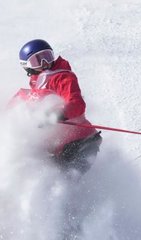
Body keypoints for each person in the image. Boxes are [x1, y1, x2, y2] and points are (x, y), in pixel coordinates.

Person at [13, 39, 102, 175]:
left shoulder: (62, 77)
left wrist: (57, 115)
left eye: (47, 57)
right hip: (60, 149)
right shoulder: (33, 90)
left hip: (81, 143)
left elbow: (77, 104)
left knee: (61, 182)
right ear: (26, 66)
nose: (45, 63)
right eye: (38, 60)